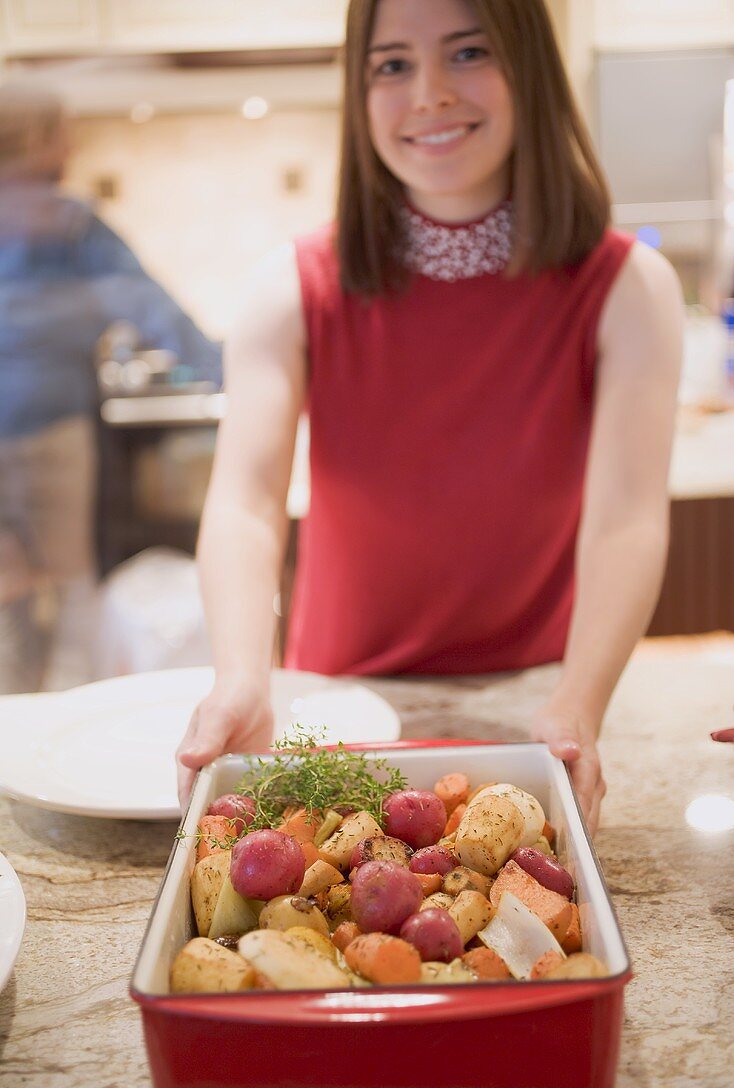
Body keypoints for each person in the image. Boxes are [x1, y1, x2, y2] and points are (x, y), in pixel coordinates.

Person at [176, 0, 683, 833]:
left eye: (469, 51)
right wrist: (242, 676)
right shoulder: (291, 286)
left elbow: (626, 518)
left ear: (532, 69)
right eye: (393, 65)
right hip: (336, 708)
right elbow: (245, 501)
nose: (431, 93)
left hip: (541, 702)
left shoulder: (629, 288)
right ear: (359, 88)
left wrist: (579, 703)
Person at [0, 83, 221, 693]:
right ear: (44, 141)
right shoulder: (65, 221)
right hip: (51, 435)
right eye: (65, 130)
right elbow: (149, 306)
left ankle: (11, 749)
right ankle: (55, 752)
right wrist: (233, 371)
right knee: (72, 594)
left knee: (8, 606)